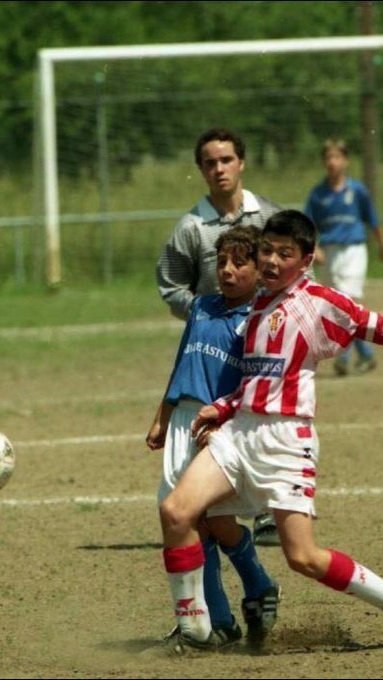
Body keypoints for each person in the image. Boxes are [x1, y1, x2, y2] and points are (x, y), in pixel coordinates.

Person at [155, 209, 383, 655]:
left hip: (285, 441)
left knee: (303, 558)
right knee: (178, 512)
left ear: (307, 258)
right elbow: (258, 377)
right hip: (237, 435)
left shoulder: (320, 303)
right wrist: (221, 407)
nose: (272, 261)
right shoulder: (260, 302)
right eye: (267, 251)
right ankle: (195, 631)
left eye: (285, 253)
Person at [145, 225, 280, 653]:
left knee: (210, 521)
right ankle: (217, 621)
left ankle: (249, 590)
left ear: (259, 270)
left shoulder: (257, 321)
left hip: (217, 427)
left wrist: (229, 424)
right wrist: (161, 416)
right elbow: (181, 362)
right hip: (182, 421)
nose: (227, 269)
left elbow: (255, 384)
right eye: (221, 261)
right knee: (193, 525)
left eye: (239, 262)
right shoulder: (202, 307)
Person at [156, 127, 282, 546]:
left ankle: (266, 509)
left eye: (226, 159)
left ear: (241, 163)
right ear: (201, 170)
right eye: (210, 162)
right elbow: (172, 284)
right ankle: (224, 510)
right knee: (219, 424)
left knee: (265, 417)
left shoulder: (268, 216)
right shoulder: (192, 227)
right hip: (218, 343)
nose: (219, 169)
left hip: (267, 340)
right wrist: (203, 315)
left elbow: (300, 270)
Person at [304, 138, 383, 377]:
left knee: (345, 302)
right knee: (336, 308)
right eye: (328, 158)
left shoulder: (357, 190)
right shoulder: (318, 194)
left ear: (346, 160)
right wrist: (314, 249)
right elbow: (307, 225)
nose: (332, 162)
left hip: (353, 251)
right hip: (330, 253)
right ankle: (366, 355)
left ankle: (344, 358)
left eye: (337, 157)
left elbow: (372, 219)